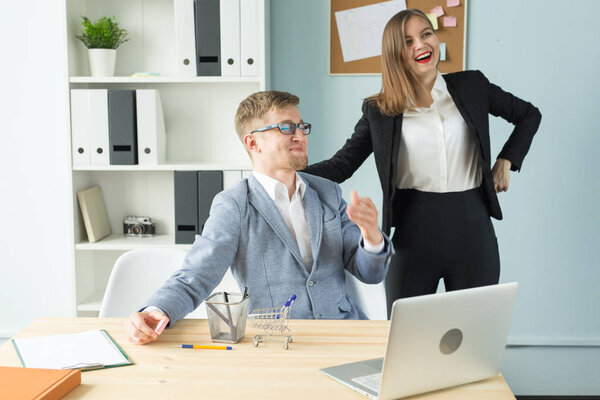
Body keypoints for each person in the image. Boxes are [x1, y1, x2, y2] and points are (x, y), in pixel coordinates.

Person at [304, 9, 541, 316]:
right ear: (395, 54)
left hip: (473, 226)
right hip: (413, 232)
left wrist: (507, 160)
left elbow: (528, 115)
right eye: (407, 41)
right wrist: (282, 172)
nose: (420, 44)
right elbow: (342, 165)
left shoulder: (472, 86)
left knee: (474, 331)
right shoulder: (380, 110)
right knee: (407, 335)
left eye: (426, 34)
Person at [126, 90, 394, 345]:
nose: (300, 135)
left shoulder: (327, 192)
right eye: (287, 128)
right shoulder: (234, 205)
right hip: (278, 341)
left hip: (344, 334)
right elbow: (196, 275)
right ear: (253, 142)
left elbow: (370, 274)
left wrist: (371, 237)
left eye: (302, 127)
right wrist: (156, 310)